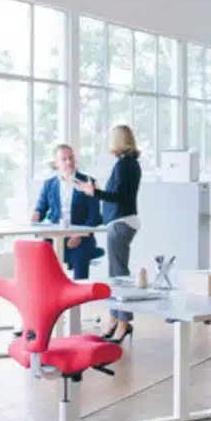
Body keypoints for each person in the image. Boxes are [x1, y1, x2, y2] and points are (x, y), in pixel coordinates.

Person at [75, 125, 142, 344]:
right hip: (122, 222)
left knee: (119, 275)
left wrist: (93, 192)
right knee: (115, 273)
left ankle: (123, 322)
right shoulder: (130, 164)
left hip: (121, 222)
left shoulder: (124, 165)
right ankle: (114, 318)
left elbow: (117, 196)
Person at [31, 143, 102, 279]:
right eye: (64, 159)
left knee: (80, 256)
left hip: (81, 237)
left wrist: (79, 235)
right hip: (55, 237)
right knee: (42, 258)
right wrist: (36, 214)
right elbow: (41, 208)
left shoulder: (88, 182)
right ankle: (50, 293)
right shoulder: (49, 184)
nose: (69, 162)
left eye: (71, 158)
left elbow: (94, 217)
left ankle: (80, 295)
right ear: (56, 163)